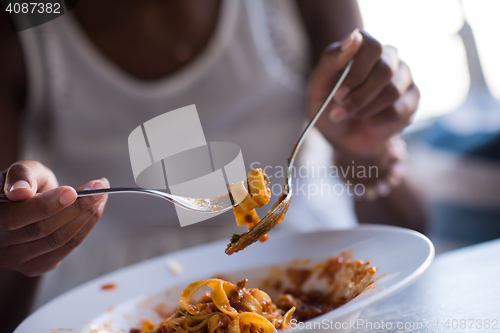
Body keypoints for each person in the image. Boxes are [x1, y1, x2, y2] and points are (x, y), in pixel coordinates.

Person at [0, 0, 426, 331]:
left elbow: (412, 228)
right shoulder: (19, 26)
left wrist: (368, 153)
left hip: (319, 269)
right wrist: (28, 236)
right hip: (96, 304)